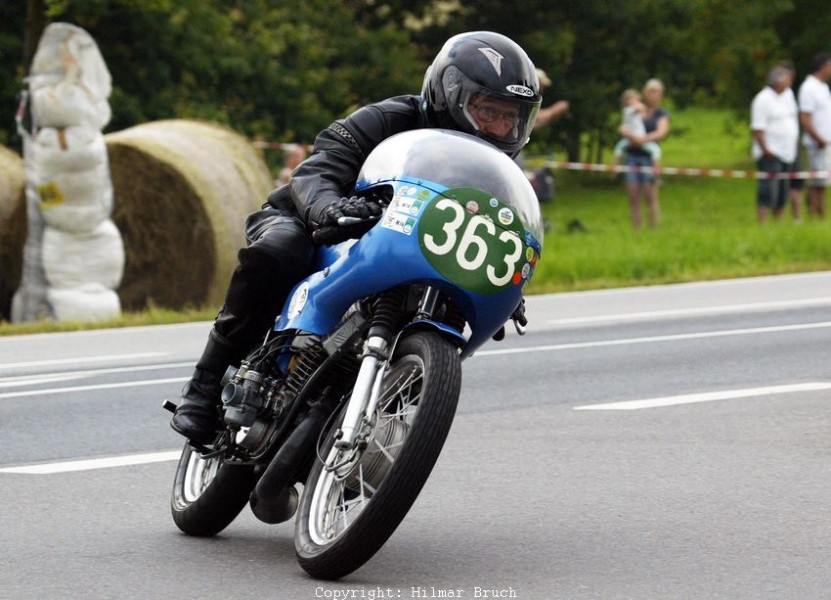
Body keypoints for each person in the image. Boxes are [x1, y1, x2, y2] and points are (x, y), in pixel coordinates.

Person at [170, 31, 543, 445]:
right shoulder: (387, 119)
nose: (501, 127)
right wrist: (330, 208)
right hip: (312, 219)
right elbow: (319, 169)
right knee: (279, 251)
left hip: (404, 247)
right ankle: (203, 386)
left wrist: (502, 275)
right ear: (450, 91)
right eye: (489, 110)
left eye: (512, 117)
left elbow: (495, 223)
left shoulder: (495, 169)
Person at [750, 65, 799, 224]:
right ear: (777, 81)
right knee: (768, 188)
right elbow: (758, 128)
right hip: (771, 152)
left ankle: (778, 221)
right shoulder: (762, 99)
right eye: (786, 80)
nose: (789, 83)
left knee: (783, 188)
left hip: (788, 152)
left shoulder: (788, 95)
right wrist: (766, 150)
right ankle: (763, 222)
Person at [620, 78, 669, 229]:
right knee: (633, 194)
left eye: (657, 93)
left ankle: (653, 227)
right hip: (632, 156)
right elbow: (623, 126)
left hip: (648, 156)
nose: (654, 95)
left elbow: (661, 132)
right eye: (651, 92)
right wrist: (631, 137)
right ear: (645, 93)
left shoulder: (661, 113)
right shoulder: (634, 108)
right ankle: (637, 228)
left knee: (650, 195)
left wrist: (644, 139)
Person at [797, 52, 831, 219]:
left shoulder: (823, 87)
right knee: (814, 181)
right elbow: (805, 118)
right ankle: (812, 215)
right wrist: (818, 139)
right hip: (815, 144)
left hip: (825, 143)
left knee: (822, 183)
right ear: (823, 66)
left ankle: (821, 215)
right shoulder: (808, 88)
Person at [613, 88, 661, 170]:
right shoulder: (628, 110)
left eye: (635, 100)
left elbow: (641, 114)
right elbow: (639, 108)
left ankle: (655, 170)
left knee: (655, 150)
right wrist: (639, 106)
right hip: (633, 138)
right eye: (632, 100)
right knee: (619, 148)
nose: (634, 102)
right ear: (627, 101)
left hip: (639, 137)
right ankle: (615, 167)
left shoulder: (633, 112)